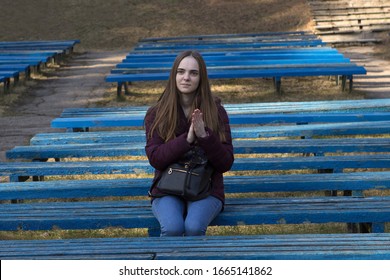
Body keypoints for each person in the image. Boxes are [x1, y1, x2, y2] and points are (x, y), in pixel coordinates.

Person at [144, 50, 234, 236]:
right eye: (181, 71)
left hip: (206, 189)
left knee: (193, 227)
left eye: (193, 73)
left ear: (201, 78)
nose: (186, 78)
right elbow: (156, 159)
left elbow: (225, 163)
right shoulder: (157, 113)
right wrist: (187, 140)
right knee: (173, 227)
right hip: (167, 189)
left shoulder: (216, 112)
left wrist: (204, 136)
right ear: (173, 75)